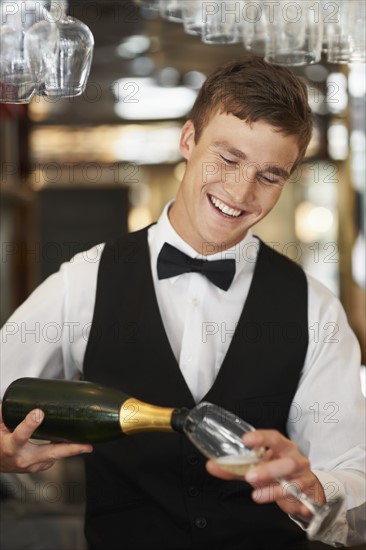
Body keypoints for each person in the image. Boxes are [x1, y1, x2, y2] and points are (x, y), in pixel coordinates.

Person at [0, 57, 365, 550]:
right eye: (229, 159)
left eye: (270, 176)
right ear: (189, 140)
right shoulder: (83, 282)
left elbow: (354, 476)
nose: (240, 191)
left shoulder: (315, 310)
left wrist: (317, 488)